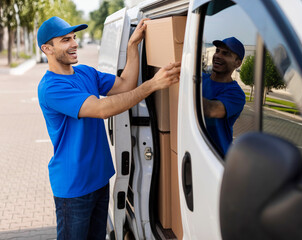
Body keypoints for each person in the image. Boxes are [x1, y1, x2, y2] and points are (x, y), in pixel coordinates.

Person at [37, 16, 180, 239]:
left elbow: (125, 85)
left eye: (74, 38)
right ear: (47, 49)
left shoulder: (85, 72)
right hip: (74, 186)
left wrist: (132, 46)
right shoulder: (51, 87)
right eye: (65, 40)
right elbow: (102, 109)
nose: (74, 43)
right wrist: (152, 85)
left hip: (99, 178)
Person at [202, 37, 246, 155]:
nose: (218, 56)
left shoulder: (236, 94)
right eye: (217, 51)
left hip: (217, 156)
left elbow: (211, 110)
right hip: (192, 149)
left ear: (238, 63)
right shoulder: (200, 78)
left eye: (226, 53)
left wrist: (186, 90)